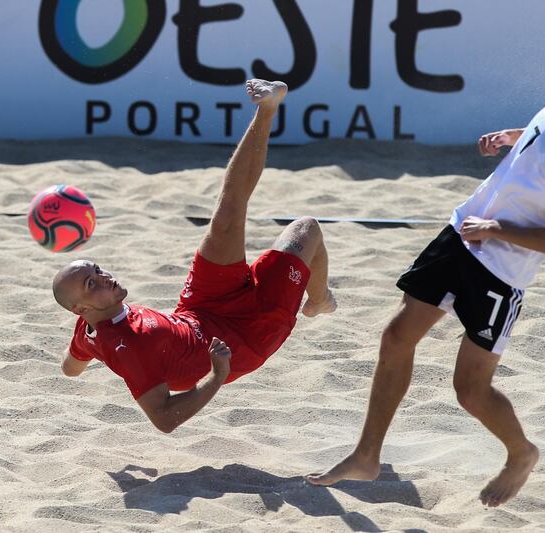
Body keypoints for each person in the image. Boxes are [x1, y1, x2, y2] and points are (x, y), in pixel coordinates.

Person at [306, 35, 545, 507]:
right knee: (397, 336)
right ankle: (366, 455)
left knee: (470, 390)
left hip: (502, 269)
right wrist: (513, 138)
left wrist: (497, 229)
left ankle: (521, 453)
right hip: (465, 230)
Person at [52, 79, 337, 433]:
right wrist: (217, 377)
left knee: (227, 214)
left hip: (199, 308)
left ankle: (267, 108)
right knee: (307, 229)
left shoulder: (87, 328)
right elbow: (164, 419)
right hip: (243, 341)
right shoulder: (130, 347)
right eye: (92, 283)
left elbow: (69, 368)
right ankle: (320, 299)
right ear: (82, 307)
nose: (106, 277)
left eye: (97, 270)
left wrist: (83, 356)